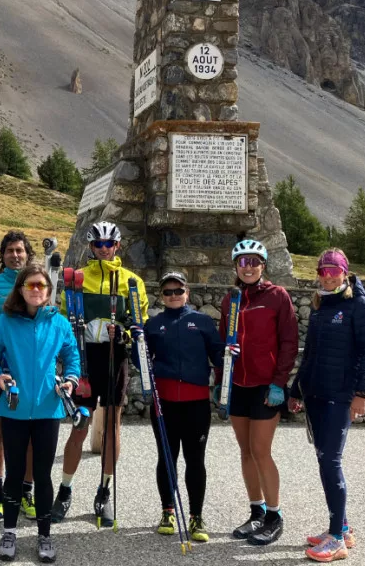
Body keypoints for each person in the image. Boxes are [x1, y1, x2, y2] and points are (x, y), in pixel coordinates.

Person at [50, 221, 148, 528]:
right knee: (80, 425)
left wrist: (124, 333)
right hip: (85, 356)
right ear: (91, 247)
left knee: (113, 427)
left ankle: (104, 492)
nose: (104, 248)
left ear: (117, 246)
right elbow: (65, 318)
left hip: (114, 356)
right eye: (98, 244)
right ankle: (64, 491)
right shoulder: (79, 278)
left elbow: (139, 323)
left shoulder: (132, 281)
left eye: (109, 243)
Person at [288, 249, 365, 563]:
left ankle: (337, 540)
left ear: (345, 271)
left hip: (339, 396)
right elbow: (310, 353)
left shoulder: (360, 307)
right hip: (315, 393)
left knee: (331, 462)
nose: (327, 276)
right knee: (324, 460)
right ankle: (341, 526)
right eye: (323, 270)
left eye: (334, 270)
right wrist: (296, 389)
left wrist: (361, 394)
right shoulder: (320, 305)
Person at [0, 263, 80, 563]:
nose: (36, 290)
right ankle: (9, 531)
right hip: (13, 409)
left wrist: (70, 379)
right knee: (14, 474)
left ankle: (45, 535)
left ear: (49, 291)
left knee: (42, 474)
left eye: (41, 285)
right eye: (30, 285)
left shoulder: (59, 322)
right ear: (21, 289)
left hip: (47, 410)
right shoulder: (4, 322)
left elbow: (72, 356)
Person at [218, 239, 298, 546]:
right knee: (246, 451)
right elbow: (224, 343)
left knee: (261, 451)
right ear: (236, 266)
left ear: (263, 265)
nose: (248, 267)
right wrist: (220, 381)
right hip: (237, 385)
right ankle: (257, 511)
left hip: (266, 387)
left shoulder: (278, 296)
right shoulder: (231, 300)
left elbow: (289, 342)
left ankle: (275, 515)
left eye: (254, 262)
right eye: (243, 262)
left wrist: (279, 382)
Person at [142, 271, 224, 540]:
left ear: (187, 293)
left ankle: (196, 517)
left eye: (178, 291)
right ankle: (167, 511)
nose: (174, 296)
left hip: (196, 403)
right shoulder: (153, 325)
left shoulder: (201, 322)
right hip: (164, 403)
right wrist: (134, 340)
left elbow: (218, 355)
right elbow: (141, 361)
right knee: (166, 457)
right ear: (161, 296)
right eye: (168, 292)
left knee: (195, 460)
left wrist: (231, 351)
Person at [0, 231, 37, 520]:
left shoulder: (37, 283)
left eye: (20, 250)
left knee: (30, 435)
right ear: (2, 255)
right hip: (1, 369)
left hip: (31, 369)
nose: (15, 255)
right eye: (10, 250)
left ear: (28, 254)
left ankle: (25, 490)